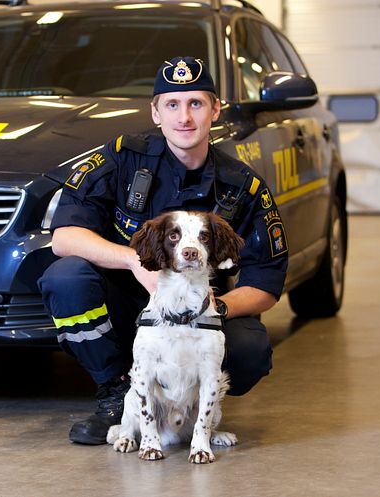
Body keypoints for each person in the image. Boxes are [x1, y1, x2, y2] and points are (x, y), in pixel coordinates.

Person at [38, 56, 288, 445]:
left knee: (250, 350)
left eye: (196, 103)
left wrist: (215, 310)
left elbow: (267, 282)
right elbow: (64, 237)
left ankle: (191, 410)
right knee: (65, 279)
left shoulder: (242, 187)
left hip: (198, 310)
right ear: (155, 112)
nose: (184, 117)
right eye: (172, 104)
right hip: (126, 303)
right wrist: (134, 263)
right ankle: (116, 391)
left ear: (215, 110)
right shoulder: (122, 157)